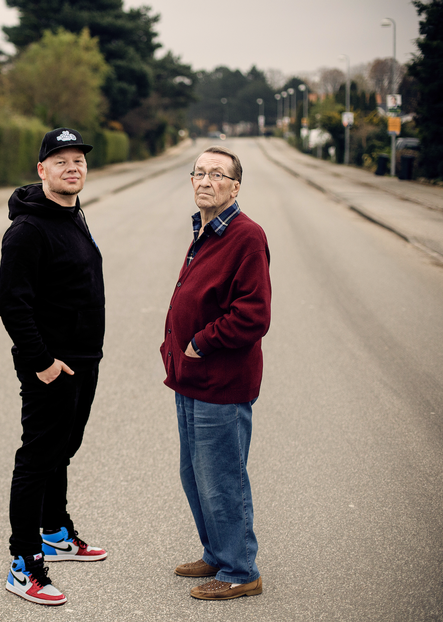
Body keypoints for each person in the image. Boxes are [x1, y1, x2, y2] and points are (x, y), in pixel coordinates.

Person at [0, 128, 108, 606]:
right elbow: (11, 305)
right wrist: (41, 362)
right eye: (60, 160)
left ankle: (55, 531)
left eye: (78, 160)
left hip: (83, 361)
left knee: (64, 449)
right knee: (38, 458)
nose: (72, 167)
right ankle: (23, 563)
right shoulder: (27, 230)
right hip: (51, 367)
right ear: (41, 170)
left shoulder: (72, 213)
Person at [160, 145, 271, 600]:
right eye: (199, 173)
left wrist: (200, 343)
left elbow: (254, 314)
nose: (205, 181)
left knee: (222, 477)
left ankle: (241, 571)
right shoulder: (205, 229)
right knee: (195, 474)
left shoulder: (246, 235)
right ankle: (217, 553)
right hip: (190, 378)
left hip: (220, 384)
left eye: (217, 174)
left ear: (235, 186)